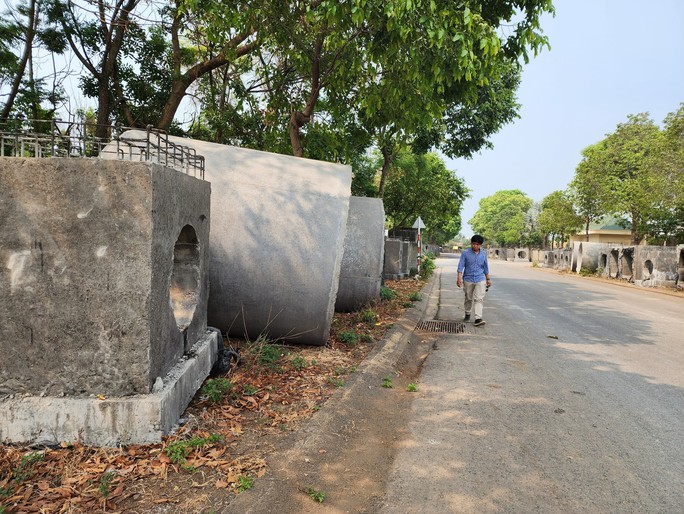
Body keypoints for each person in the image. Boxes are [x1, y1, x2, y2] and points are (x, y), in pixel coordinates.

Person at [456, 234, 492, 327]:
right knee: (468, 297)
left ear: (480, 245)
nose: (475, 246)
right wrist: (459, 278)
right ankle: (467, 313)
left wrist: (488, 279)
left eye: (477, 244)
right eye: (473, 244)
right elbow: (461, 266)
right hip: (468, 278)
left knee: (479, 298)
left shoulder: (483, 254)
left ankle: (478, 318)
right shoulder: (465, 253)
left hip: (480, 278)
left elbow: (485, 267)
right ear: (471, 243)